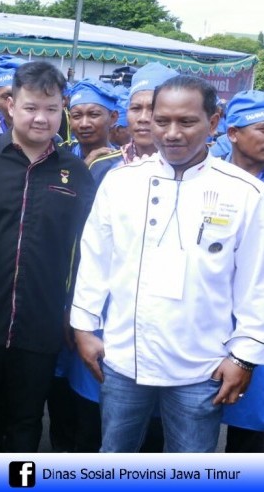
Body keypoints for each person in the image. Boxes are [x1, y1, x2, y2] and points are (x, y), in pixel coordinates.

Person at [71, 75, 264, 453]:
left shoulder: (245, 193)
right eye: (162, 121)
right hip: (124, 356)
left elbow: (256, 281)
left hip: (202, 364)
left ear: (213, 123)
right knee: (115, 457)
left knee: (190, 468)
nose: (172, 133)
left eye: (187, 122)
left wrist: (244, 354)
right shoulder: (121, 182)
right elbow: (95, 258)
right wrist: (84, 326)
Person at [0, 61, 95, 453]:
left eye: (52, 109)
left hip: (41, 323)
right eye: (31, 107)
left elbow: (87, 253)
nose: (41, 118)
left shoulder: (75, 173)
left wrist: (75, 311)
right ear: (10, 105)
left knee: (26, 422)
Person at [216, 90, 264, 453]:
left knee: (251, 431)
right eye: (262, 129)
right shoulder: (206, 178)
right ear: (233, 133)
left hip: (255, 316)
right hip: (206, 315)